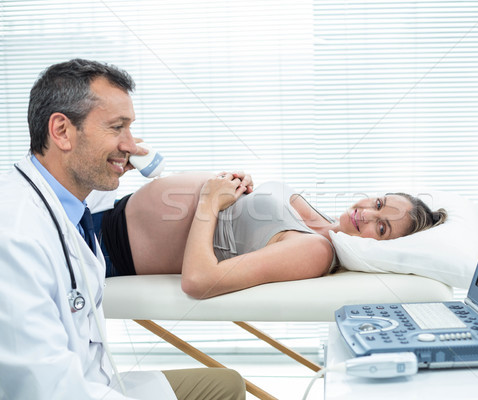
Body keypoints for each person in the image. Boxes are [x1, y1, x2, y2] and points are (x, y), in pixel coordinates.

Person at [0, 59, 245, 400]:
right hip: (67, 391)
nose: (132, 144)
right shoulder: (14, 234)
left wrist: (112, 164)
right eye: (117, 128)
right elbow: (44, 386)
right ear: (61, 131)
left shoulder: (69, 203)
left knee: (227, 384)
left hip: (94, 381)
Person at [98, 172, 447, 299]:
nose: (366, 212)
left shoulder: (316, 251)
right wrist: (239, 187)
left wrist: (209, 201)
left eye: (381, 226)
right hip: (106, 214)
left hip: (108, 250)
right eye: (379, 203)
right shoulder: (322, 224)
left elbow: (199, 281)